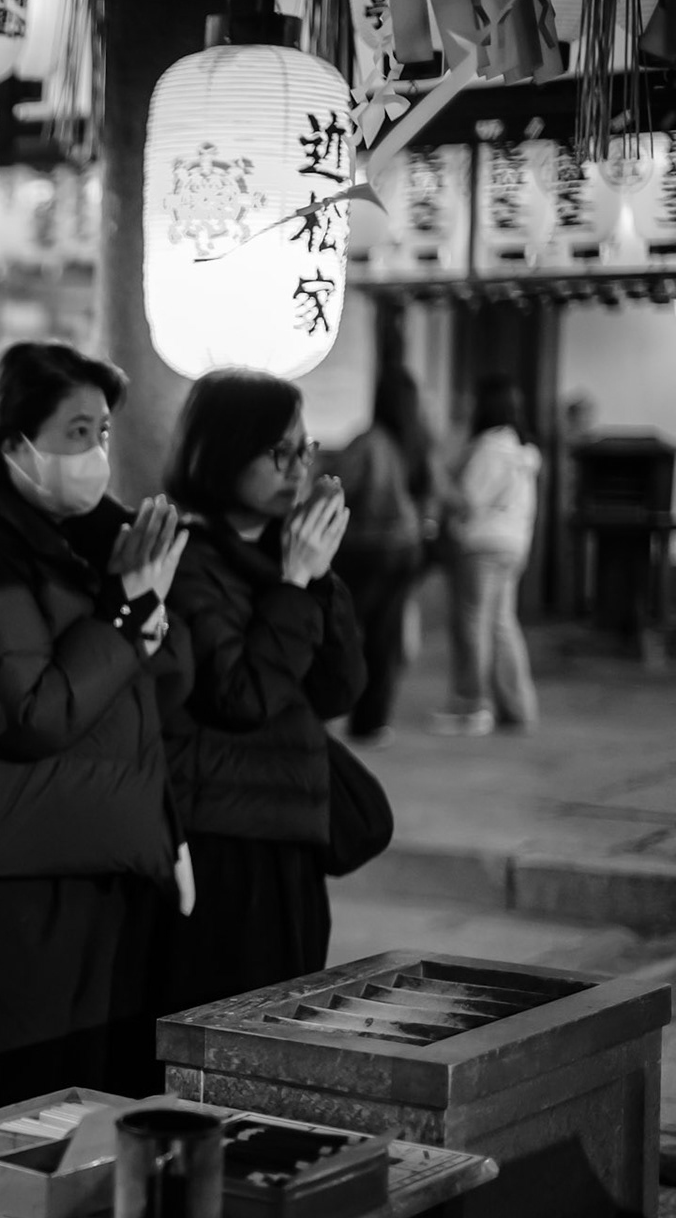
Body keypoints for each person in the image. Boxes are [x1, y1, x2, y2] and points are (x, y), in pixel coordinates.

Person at [0, 343, 194, 1161]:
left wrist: (143, 598)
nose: (95, 453)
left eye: (102, 429)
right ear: (13, 445)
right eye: (76, 431)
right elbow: (35, 713)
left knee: (82, 1131)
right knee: (2, 1125)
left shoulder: (100, 543)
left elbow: (168, 689)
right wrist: (123, 614)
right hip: (6, 885)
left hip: (96, 867)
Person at [161, 369, 366, 1011]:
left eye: (303, 449)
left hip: (294, 834)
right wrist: (298, 584)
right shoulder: (187, 563)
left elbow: (340, 688)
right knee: (233, 1035)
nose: (296, 468)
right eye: (278, 451)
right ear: (220, 451)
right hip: (227, 841)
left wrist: (319, 578)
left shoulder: (290, 555)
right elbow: (239, 696)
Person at [329, 367, 439, 746]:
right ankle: (372, 722)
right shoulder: (418, 443)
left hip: (365, 548)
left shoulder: (369, 443)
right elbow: (437, 491)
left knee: (342, 628)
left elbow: (338, 489)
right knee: (384, 637)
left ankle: (326, 710)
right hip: (407, 548)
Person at [435, 375, 541, 735]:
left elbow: (466, 501)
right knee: (501, 625)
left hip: (481, 546)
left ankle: (471, 706)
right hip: (514, 546)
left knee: (472, 626)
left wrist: (441, 481)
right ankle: (517, 707)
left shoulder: (489, 449)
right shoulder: (523, 452)